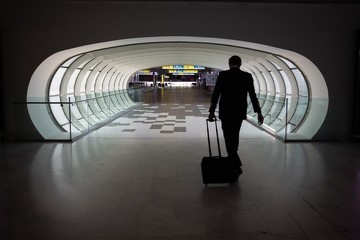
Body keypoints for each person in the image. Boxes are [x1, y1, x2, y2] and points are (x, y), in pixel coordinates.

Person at [208, 55, 264, 177]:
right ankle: (234, 163)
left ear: (229, 63)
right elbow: (253, 95)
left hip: (225, 112)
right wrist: (259, 112)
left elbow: (216, 94)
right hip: (239, 112)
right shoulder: (247, 76)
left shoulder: (223, 75)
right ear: (240, 64)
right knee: (235, 135)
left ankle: (236, 164)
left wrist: (211, 111)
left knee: (228, 137)